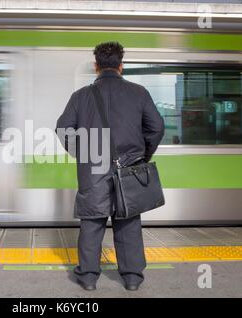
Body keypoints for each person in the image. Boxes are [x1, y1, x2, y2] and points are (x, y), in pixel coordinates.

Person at [56, 42, 164, 291]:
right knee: (128, 221)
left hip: (93, 169)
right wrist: (142, 156)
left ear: (96, 67)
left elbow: (63, 128)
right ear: (121, 66)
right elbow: (156, 127)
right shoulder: (139, 92)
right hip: (129, 168)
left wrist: (84, 154)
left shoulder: (81, 96)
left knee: (92, 221)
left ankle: (88, 277)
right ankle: (132, 278)